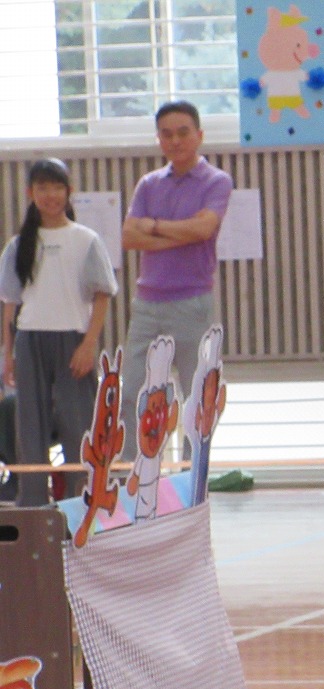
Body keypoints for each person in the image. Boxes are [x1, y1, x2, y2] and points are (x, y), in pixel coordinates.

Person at [0, 158, 117, 507]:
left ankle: (81, 500)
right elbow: (10, 304)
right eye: (42, 188)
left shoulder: (86, 240)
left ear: (69, 193)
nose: (50, 195)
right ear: (30, 193)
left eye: (57, 188)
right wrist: (9, 355)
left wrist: (88, 343)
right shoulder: (19, 245)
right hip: (30, 339)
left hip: (72, 341)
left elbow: (102, 295)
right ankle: (32, 499)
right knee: (29, 424)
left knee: (76, 420)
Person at [120, 100, 233, 457]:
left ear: (199, 135)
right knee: (131, 391)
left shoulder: (216, 181)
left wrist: (152, 226)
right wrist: (180, 232)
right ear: (159, 140)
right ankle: (129, 478)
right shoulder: (149, 184)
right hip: (147, 303)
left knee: (196, 394)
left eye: (183, 132)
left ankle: (192, 480)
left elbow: (204, 228)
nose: (175, 141)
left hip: (191, 301)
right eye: (167, 134)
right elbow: (128, 238)